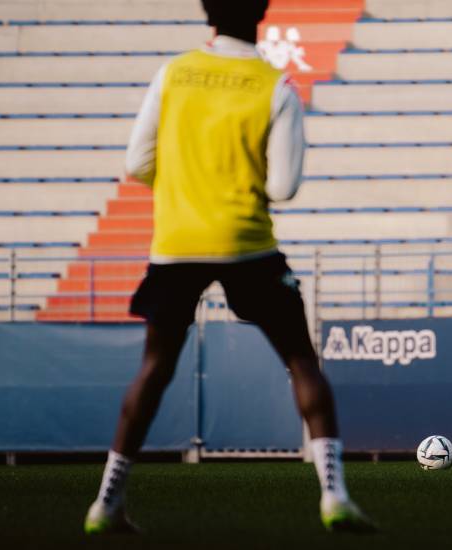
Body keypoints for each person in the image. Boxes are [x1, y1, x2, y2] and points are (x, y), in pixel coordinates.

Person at [84, 0, 373, 534]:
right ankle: (334, 496)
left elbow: (136, 163)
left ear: (205, 10)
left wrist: (188, 192)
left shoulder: (173, 74)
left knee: (154, 369)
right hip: (246, 242)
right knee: (302, 361)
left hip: (175, 241)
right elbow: (283, 188)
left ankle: (105, 504)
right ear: (262, 10)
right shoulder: (276, 86)